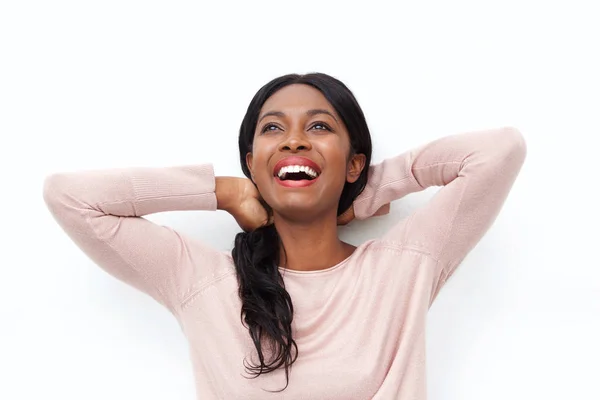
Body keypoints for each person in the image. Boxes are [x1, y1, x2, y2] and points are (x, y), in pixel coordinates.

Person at [43, 72, 527, 399]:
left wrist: (366, 191)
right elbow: (69, 197)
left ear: (353, 159)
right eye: (272, 128)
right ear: (253, 162)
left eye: (319, 126)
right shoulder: (201, 282)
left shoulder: (402, 268)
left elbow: (499, 151)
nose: (295, 140)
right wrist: (221, 191)